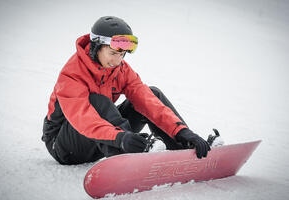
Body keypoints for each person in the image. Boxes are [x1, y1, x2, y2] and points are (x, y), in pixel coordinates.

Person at [42, 16, 210, 165]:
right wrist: (122, 138)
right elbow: (84, 119)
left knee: (152, 93)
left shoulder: (120, 70)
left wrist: (182, 131)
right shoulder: (72, 74)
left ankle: (183, 147)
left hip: (105, 139)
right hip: (64, 145)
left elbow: (146, 100)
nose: (117, 60)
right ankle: (129, 153)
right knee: (98, 101)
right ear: (96, 47)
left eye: (122, 55)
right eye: (113, 53)